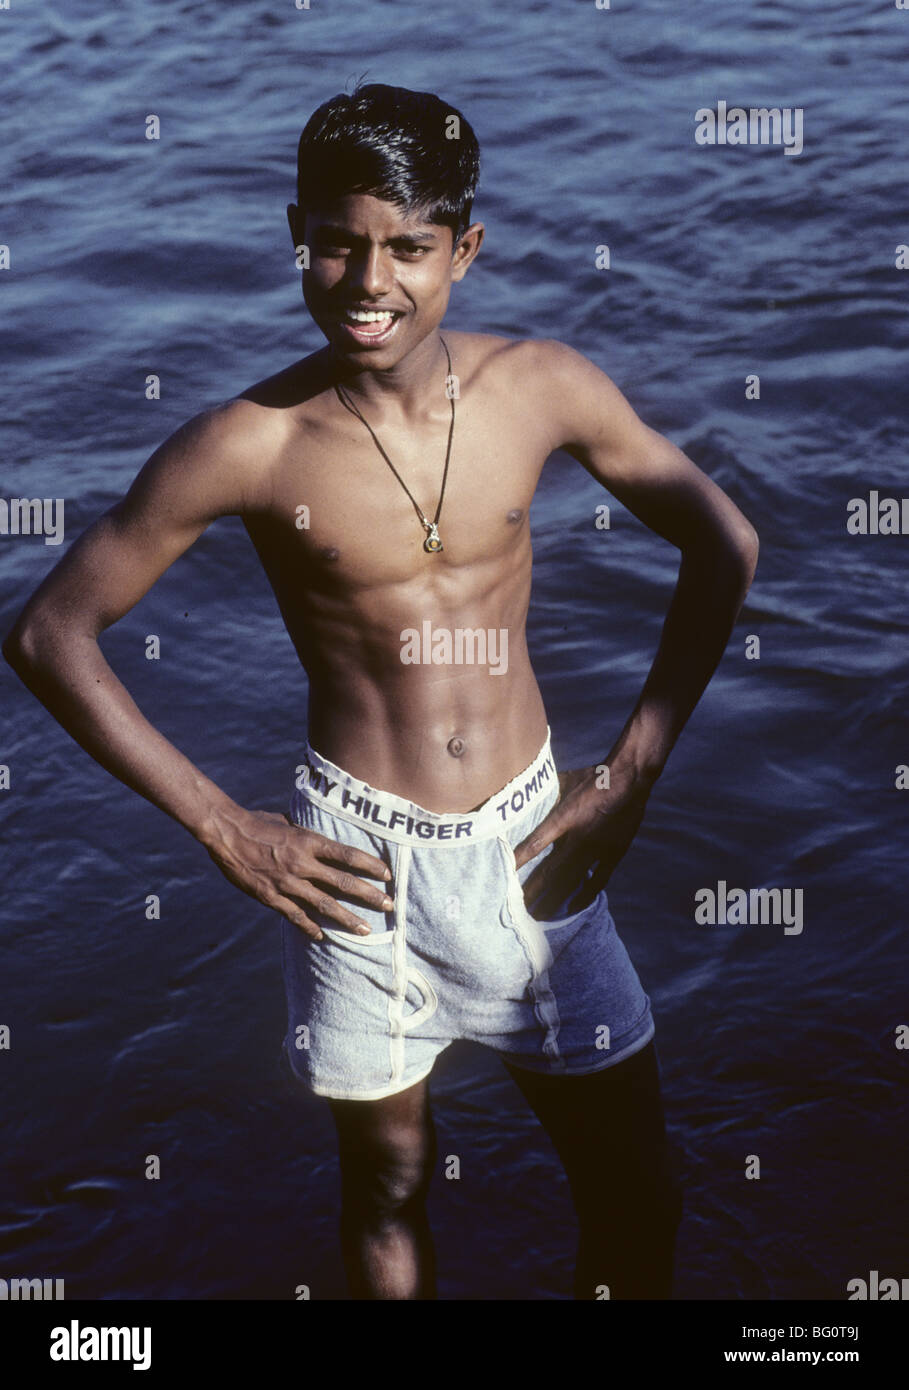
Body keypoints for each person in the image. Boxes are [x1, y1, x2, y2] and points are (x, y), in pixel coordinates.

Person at [3, 82, 758, 1300]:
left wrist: (630, 772)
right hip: (357, 865)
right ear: (293, 232)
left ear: (465, 247)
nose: (369, 280)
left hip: (536, 850)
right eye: (339, 241)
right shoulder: (249, 444)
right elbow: (50, 632)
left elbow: (723, 541)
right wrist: (226, 827)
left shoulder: (542, 387)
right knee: (390, 1187)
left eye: (409, 247)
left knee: (634, 1191)